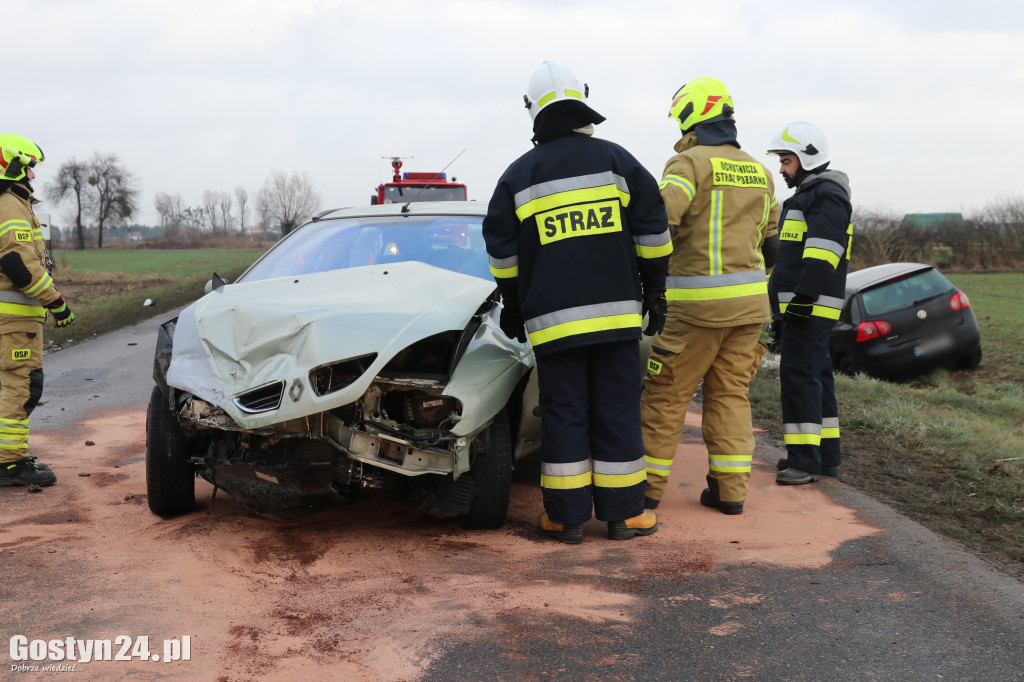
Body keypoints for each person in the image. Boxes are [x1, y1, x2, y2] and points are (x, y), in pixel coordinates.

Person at [483, 60, 672, 543]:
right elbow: (653, 233)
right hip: (616, 319)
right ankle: (625, 515)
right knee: (617, 409)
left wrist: (514, 303)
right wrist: (655, 290)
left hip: (553, 324)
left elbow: (503, 255)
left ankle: (564, 519)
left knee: (564, 412)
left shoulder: (517, 176)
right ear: (581, 101)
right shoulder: (617, 161)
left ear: (534, 112)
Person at [640, 78, 779, 515]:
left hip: (695, 312)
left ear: (690, 116)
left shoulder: (687, 164)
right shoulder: (760, 171)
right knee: (730, 397)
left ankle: (644, 491)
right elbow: (772, 247)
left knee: (666, 395)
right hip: (751, 312)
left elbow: (660, 221)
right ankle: (730, 493)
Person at [765, 122, 852, 485]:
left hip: (809, 306)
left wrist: (802, 299)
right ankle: (824, 456)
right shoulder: (806, 196)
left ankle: (804, 460)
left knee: (800, 377)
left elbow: (824, 252)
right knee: (816, 376)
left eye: (786, 160)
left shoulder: (825, 194)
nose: (782, 168)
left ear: (807, 157)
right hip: (802, 306)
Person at [0, 134, 74, 488]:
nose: (33, 176)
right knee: (22, 386)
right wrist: (56, 302)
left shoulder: (11, 203)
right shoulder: (11, 205)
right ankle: (11, 464)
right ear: (11, 165)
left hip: (11, 321)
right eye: (29, 168)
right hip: (15, 322)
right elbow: (18, 265)